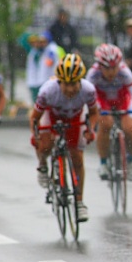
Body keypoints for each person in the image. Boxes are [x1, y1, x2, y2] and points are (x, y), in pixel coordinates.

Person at [29, 54, 98, 222]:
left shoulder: (88, 90)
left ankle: (80, 202)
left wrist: (90, 129)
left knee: (77, 158)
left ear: (80, 81)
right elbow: (34, 117)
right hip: (51, 116)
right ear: (59, 81)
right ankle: (43, 164)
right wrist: (35, 135)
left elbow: (94, 113)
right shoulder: (48, 91)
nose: (70, 89)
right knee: (45, 145)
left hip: (74, 119)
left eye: (74, 84)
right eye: (66, 84)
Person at [86, 44, 132, 181]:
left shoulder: (124, 71)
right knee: (105, 124)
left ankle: (130, 160)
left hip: (122, 98)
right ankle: (104, 163)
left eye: (114, 67)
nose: (111, 72)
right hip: (102, 99)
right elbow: (87, 95)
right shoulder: (93, 74)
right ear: (99, 65)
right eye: (107, 68)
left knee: (129, 128)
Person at [25, 31, 64, 103]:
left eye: (43, 41)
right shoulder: (37, 51)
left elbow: (49, 63)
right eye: (40, 42)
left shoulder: (51, 50)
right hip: (39, 81)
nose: (41, 44)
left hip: (49, 80)